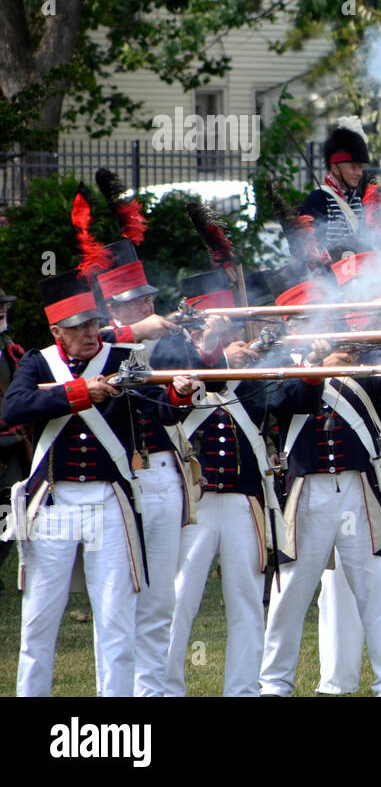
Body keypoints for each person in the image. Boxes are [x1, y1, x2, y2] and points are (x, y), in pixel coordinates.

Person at [1, 269, 194, 696]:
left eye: (92, 323)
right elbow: (14, 409)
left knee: (115, 620)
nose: (90, 333)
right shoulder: (38, 362)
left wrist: (179, 394)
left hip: (111, 500)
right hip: (53, 501)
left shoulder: (126, 357)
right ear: (58, 332)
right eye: (77, 328)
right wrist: (79, 393)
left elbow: (158, 411)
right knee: (38, 621)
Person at [257, 270, 381, 698]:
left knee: (377, 588)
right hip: (306, 489)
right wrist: (316, 370)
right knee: (291, 591)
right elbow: (282, 404)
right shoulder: (274, 362)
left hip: (359, 487)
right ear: (290, 324)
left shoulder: (357, 351)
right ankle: (275, 682)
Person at [164, 270, 281, 697]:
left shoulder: (245, 361)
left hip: (242, 495)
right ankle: (167, 688)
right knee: (179, 600)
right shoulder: (173, 350)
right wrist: (214, 353)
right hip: (194, 499)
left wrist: (251, 364)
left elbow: (277, 405)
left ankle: (243, 689)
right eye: (219, 317)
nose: (226, 325)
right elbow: (179, 394)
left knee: (247, 600)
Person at [93, 238, 198, 696]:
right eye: (140, 300)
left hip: (159, 473)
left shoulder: (168, 342)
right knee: (116, 601)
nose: (151, 305)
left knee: (158, 600)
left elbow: (172, 412)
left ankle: (154, 693)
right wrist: (135, 336)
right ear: (117, 306)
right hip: (112, 481)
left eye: (151, 299)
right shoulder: (97, 347)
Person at [298, 117, 379, 257]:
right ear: (335, 168)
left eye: (360, 167)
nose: (359, 173)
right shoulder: (317, 200)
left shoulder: (359, 199)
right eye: (353, 167)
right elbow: (307, 249)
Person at [0, 283, 28, 592]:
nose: (3, 309)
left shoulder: (10, 347)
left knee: (8, 508)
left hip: (10, 443)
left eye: (5, 304)